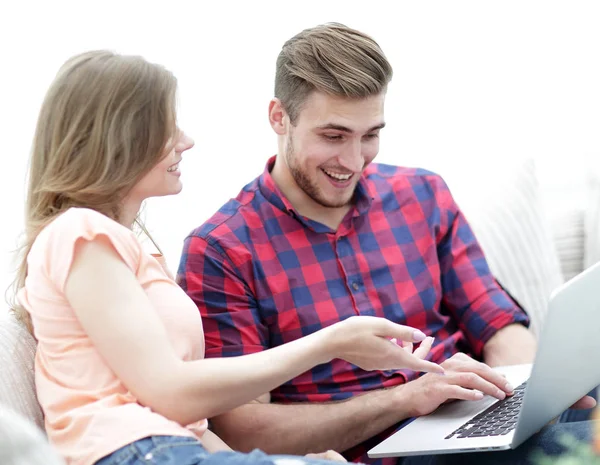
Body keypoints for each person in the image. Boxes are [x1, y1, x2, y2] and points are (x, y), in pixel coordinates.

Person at [177, 23, 598, 465]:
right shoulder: (221, 251)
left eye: (370, 135)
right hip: (390, 453)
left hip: (472, 421)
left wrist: (526, 399)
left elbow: (497, 323)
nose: (354, 161)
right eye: (334, 136)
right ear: (280, 117)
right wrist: (405, 400)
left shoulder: (422, 194)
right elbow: (246, 432)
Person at [11, 50, 446, 465]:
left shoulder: (121, 250)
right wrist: (329, 343)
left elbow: (184, 420)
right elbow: (170, 394)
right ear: (120, 138)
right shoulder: (81, 234)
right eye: (167, 127)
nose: (186, 141)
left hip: (168, 448)